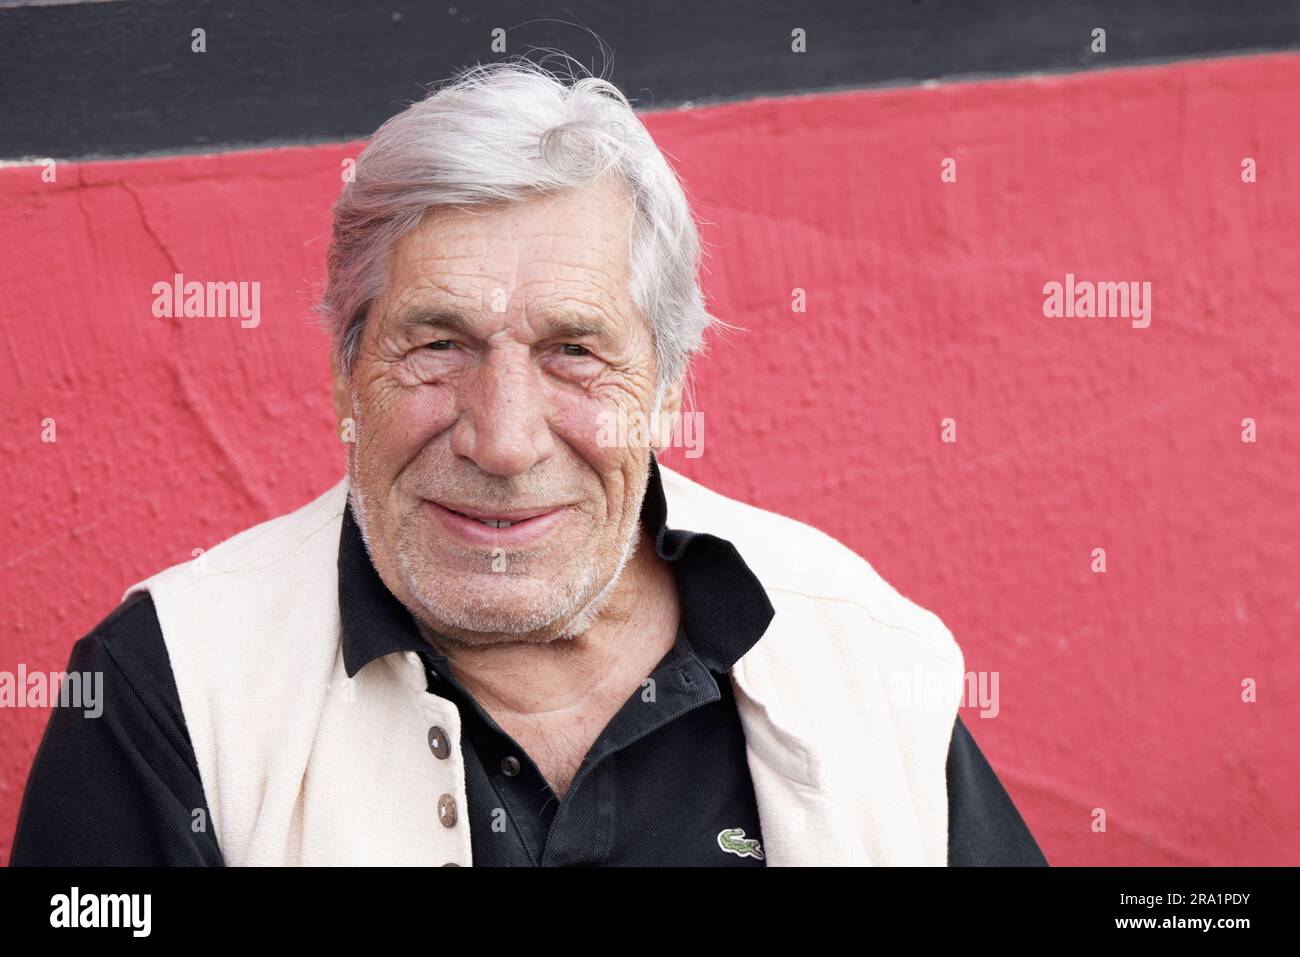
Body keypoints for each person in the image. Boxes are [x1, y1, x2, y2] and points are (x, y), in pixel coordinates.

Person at [12, 58, 1046, 867]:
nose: (502, 441)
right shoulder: (170, 688)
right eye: (438, 345)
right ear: (344, 374)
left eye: (574, 352)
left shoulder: (856, 651)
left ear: (668, 385)